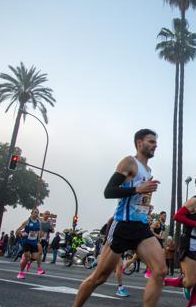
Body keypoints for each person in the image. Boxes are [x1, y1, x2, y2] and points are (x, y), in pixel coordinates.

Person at [73, 129, 166, 307]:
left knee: (160, 271)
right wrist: (137, 190)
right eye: (151, 142)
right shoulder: (129, 162)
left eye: (155, 142)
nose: (155, 145)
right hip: (122, 227)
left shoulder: (148, 170)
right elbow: (109, 191)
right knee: (98, 278)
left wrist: (145, 204)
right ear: (140, 143)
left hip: (141, 227)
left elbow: (136, 197)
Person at [165, 174, 196, 307]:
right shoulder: (194, 201)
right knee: (190, 282)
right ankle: (165, 281)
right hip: (188, 243)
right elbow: (178, 216)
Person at [15, 208, 45, 278]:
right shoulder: (27, 222)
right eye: (35, 212)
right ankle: (21, 273)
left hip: (34, 242)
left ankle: (23, 257)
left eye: (37, 213)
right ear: (31, 213)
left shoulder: (39, 222)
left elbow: (40, 232)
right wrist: (22, 234)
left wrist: (41, 236)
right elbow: (17, 231)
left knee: (34, 257)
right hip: (26, 242)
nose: (36, 214)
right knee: (28, 257)